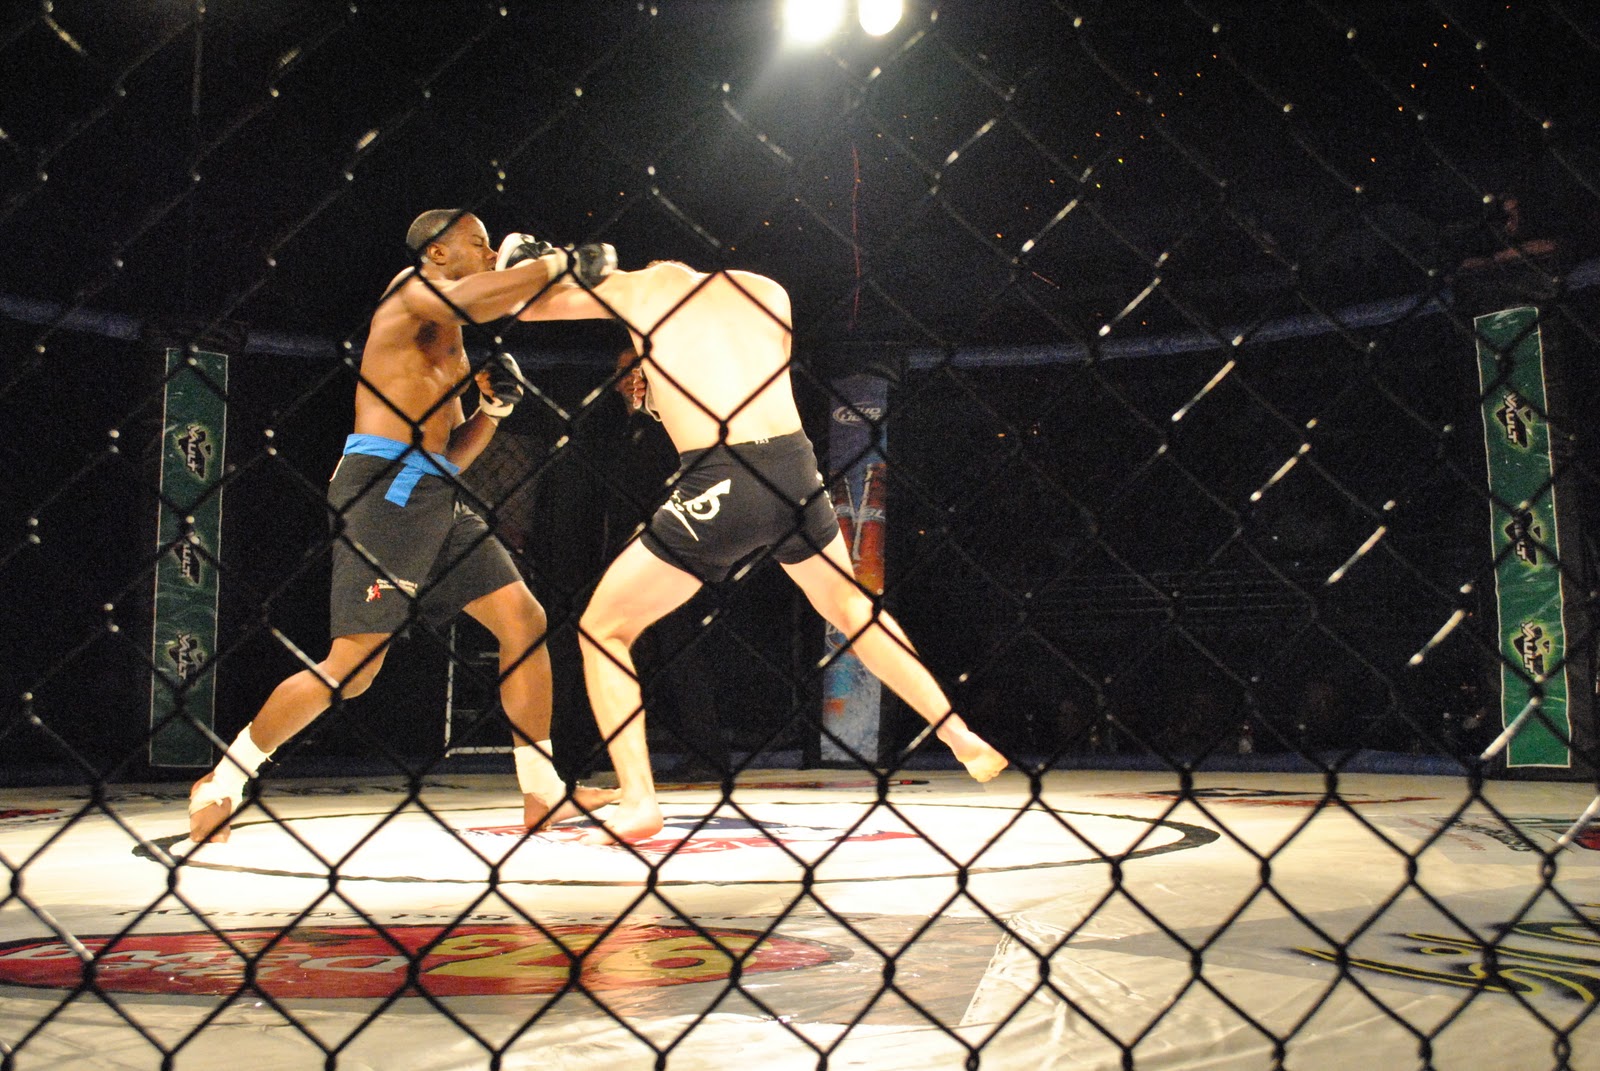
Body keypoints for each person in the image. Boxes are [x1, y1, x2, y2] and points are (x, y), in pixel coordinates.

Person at [509, 250, 1008, 843]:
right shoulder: (767, 291)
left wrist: (535, 264)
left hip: (721, 474)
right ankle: (957, 733)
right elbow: (732, 377)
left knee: (603, 630)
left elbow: (528, 306)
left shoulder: (642, 290)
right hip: (795, 470)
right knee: (853, 608)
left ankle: (639, 800)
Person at [186, 210, 619, 844]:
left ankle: (542, 790)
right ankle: (223, 781)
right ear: (437, 253)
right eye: (478, 243)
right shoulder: (412, 289)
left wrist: (493, 413)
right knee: (354, 668)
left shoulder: (455, 337)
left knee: (523, 620)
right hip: (384, 489)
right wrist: (553, 265)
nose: (490, 252)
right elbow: (472, 301)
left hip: (436, 491)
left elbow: (452, 452)